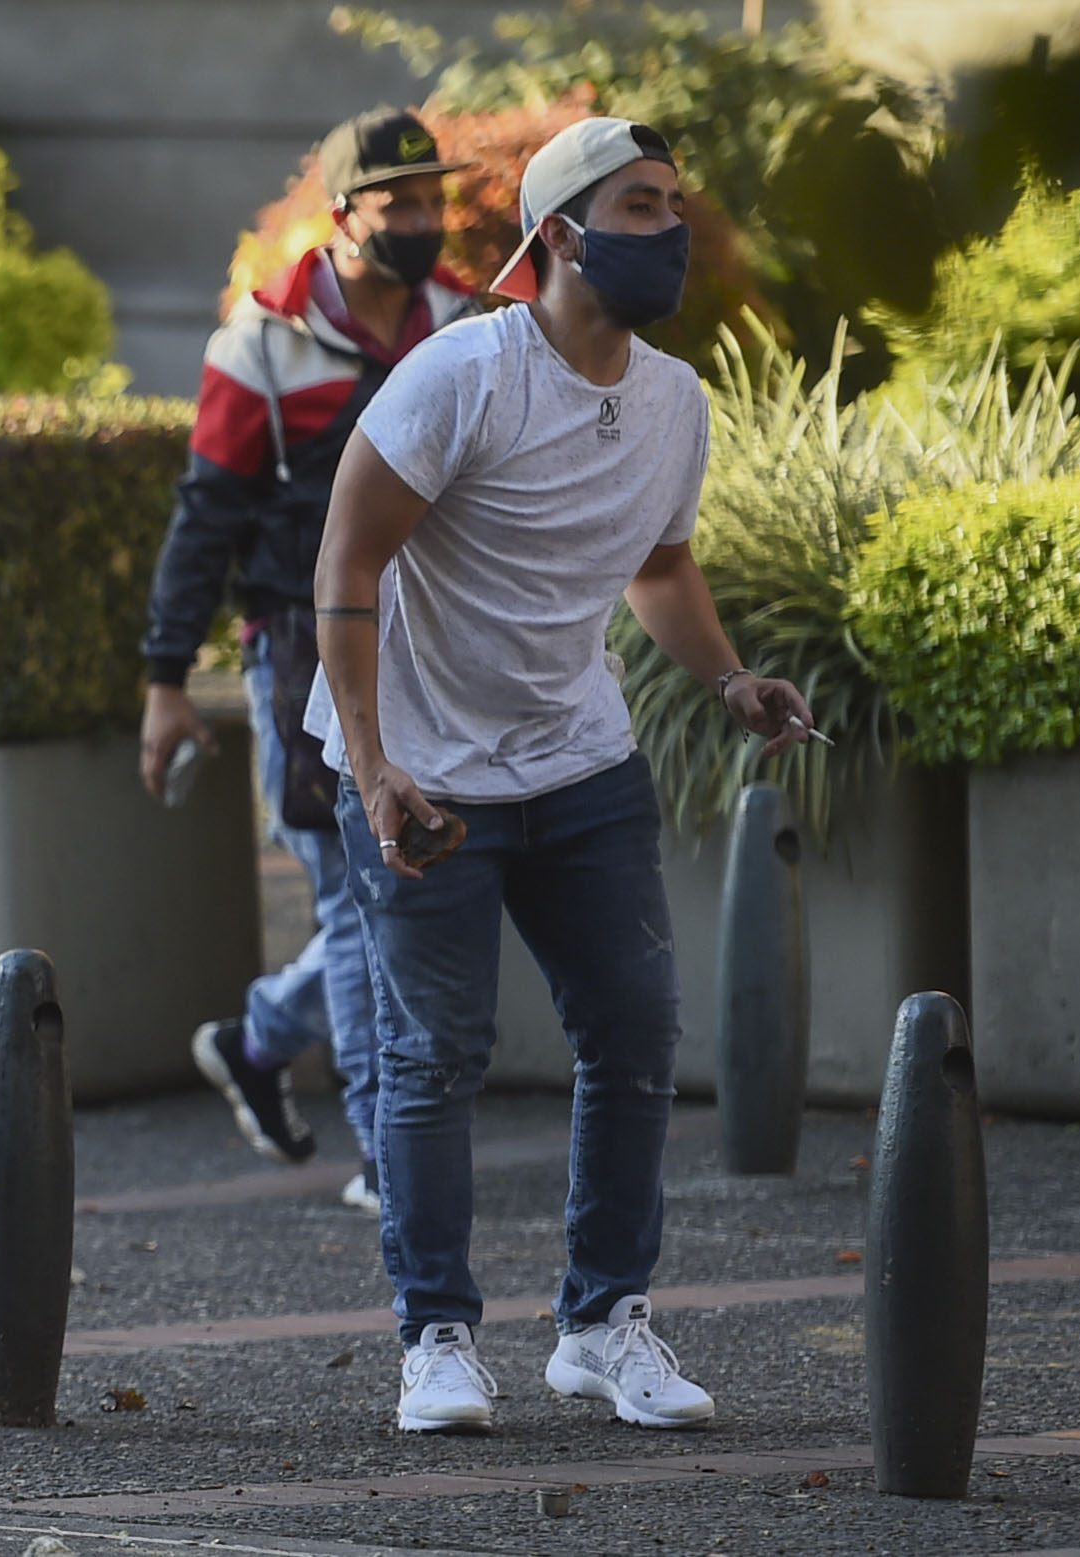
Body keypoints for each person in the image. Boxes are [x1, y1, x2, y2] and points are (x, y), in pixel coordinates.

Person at [305, 118, 818, 1433]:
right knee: (432, 1055)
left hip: (577, 758)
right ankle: (434, 1337)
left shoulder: (673, 401)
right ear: (555, 238)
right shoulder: (456, 378)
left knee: (634, 1030)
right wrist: (369, 768)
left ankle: (600, 1322)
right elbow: (345, 567)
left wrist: (724, 680)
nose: (669, 229)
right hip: (421, 769)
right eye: (636, 205)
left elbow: (655, 565)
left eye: (671, 203)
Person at [139, 109, 477, 1208]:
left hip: (430, 645)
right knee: (348, 896)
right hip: (296, 650)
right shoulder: (261, 343)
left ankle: (259, 1038)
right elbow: (205, 516)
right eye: (399, 204)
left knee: (405, 884)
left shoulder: (463, 322)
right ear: (341, 215)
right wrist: (162, 682)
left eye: (434, 201)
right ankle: (390, 1157)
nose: (424, 221)